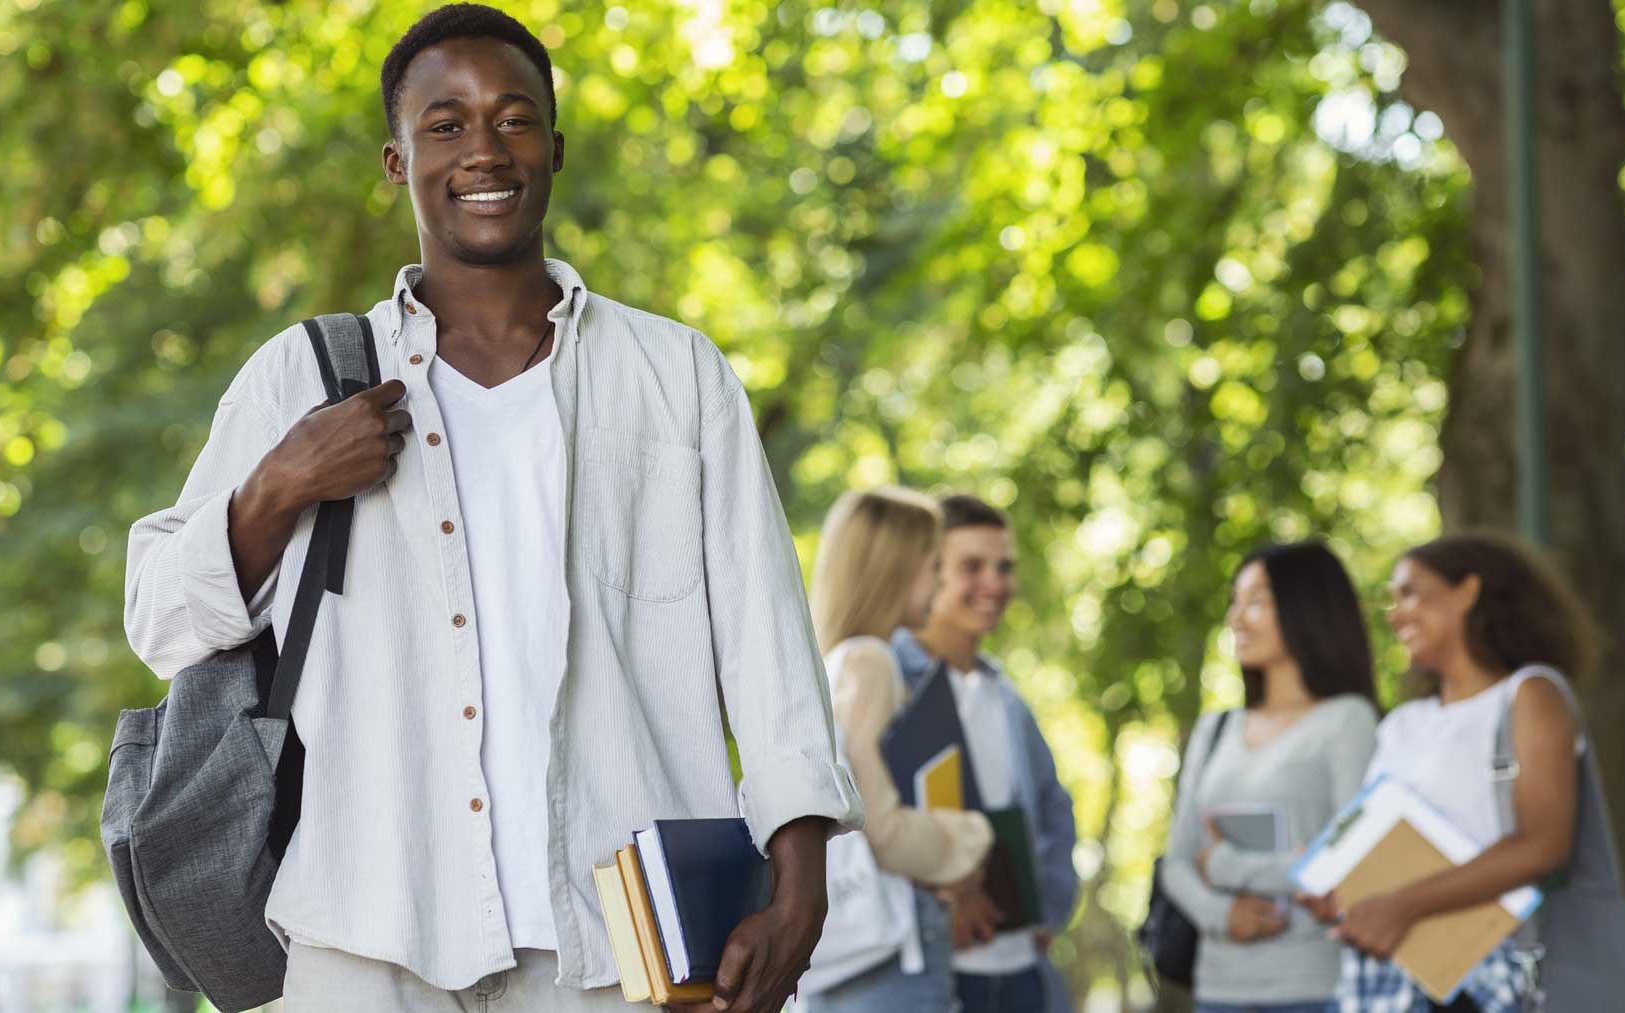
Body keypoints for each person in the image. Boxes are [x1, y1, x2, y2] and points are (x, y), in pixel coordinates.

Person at [122, 6, 862, 1011]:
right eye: (446, 125)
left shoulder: (675, 377)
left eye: (513, 119)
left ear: (552, 148)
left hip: (623, 937)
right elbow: (159, 618)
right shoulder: (301, 377)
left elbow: (766, 644)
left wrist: (801, 887)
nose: (484, 149)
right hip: (366, 931)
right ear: (397, 161)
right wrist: (279, 482)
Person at [1306, 534, 1608, 1012]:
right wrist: (1338, 891)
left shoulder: (1528, 695)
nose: (1394, 613)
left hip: (1494, 979)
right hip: (1397, 984)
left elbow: (1543, 846)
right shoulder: (1403, 724)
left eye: (1409, 592)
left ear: (1468, 591)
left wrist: (1402, 905)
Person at [799, 487, 996, 1013]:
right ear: (899, 567)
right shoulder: (870, 662)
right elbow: (878, 827)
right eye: (934, 565)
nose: (940, 581)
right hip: (886, 968)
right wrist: (969, 840)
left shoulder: (832, 664)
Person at [1160, 541, 1380, 1013]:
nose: (1237, 618)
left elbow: (1349, 864)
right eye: (1235, 602)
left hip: (1311, 989)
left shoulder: (1347, 720)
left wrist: (1222, 865)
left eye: (1257, 601)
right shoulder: (1215, 729)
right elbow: (1176, 861)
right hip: (1217, 992)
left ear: (1308, 609)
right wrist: (1222, 915)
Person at [891, 494, 1081, 1013]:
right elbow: (863, 831)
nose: (995, 584)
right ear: (928, 571)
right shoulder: (884, 681)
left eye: (1004, 567)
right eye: (972, 566)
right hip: (932, 977)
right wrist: (936, 912)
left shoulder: (1006, 697)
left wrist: (1048, 908)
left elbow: (1052, 808)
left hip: (1022, 977)